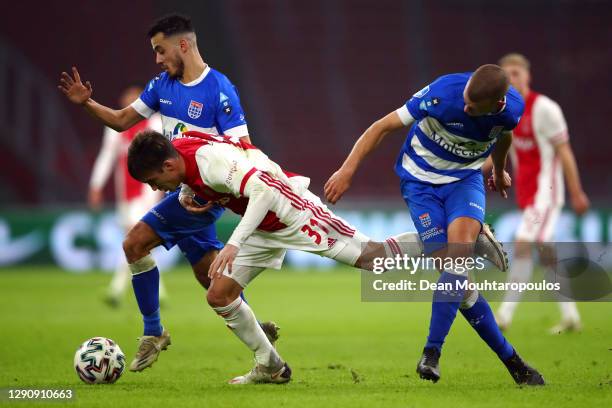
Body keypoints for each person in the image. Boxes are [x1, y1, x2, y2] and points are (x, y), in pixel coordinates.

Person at [58, 14, 278, 372]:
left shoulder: (220, 89)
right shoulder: (161, 86)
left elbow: (244, 148)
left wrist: (216, 195)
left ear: (184, 45)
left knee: (134, 244)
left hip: (205, 196)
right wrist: (86, 103)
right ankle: (257, 334)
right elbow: (121, 121)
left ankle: (153, 332)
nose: (157, 59)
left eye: (161, 51)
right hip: (178, 191)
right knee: (210, 277)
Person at [126, 129, 424, 384]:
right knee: (219, 294)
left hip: (291, 212)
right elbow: (232, 143)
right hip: (259, 225)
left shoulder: (210, 164)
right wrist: (190, 193)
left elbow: (264, 190)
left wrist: (233, 244)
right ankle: (271, 365)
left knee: (374, 259)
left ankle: (443, 240)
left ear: (167, 165)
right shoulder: (182, 143)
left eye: (153, 181)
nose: (154, 188)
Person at [324, 65, 544, 385]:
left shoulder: (510, 110)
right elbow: (381, 126)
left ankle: (432, 352)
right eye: (465, 101)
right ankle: (515, 364)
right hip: (420, 184)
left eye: (472, 107)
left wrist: (497, 170)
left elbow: (503, 136)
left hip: (464, 181)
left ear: (496, 105)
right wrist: (347, 170)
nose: (465, 107)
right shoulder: (443, 93)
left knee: (454, 265)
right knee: (460, 281)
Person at [495, 53, 590, 333]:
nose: (512, 79)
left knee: (523, 243)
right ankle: (571, 316)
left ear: (527, 76)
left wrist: (577, 191)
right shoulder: (504, 111)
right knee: (547, 254)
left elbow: (565, 151)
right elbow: (496, 150)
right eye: (506, 75)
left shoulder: (545, 108)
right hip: (526, 194)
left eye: (516, 73)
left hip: (546, 194)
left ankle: (504, 314)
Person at [88, 85, 166, 307]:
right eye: (127, 97)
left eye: (135, 98)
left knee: (133, 238)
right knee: (139, 242)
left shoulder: (155, 124)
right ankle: (159, 290)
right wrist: (96, 185)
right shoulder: (115, 126)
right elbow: (107, 156)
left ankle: (116, 288)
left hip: (148, 191)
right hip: (125, 194)